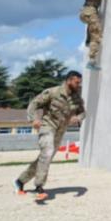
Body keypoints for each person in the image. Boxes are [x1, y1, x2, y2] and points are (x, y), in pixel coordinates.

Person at [13, 70, 86, 201]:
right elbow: (34, 104)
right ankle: (39, 187)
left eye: (80, 83)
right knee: (47, 152)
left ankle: (20, 181)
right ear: (69, 80)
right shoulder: (52, 92)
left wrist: (78, 117)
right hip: (47, 127)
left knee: (45, 158)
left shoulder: (77, 97)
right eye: (76, 82)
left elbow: (83, 113)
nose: (79, 85)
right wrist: (33, 119)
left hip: (60, 131)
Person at [80, 0, 108, 69]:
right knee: (96, 35)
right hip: (90, 11)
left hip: (88, 11)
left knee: (92, 31)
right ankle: (91, 60)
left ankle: (88, 41)